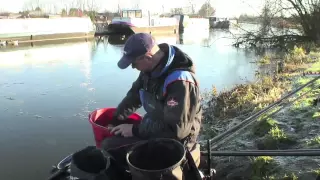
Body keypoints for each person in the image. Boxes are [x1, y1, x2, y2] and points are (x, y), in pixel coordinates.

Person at [102, 33, 202, 167]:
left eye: (133, 63)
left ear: (147, 57)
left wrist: (134, 130)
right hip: (154, 130)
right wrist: (115, 120)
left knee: (110, 146)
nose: (132, 67)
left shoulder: (180, 81)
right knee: (110, 141)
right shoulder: (148, 70)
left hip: (175, 144)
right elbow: (133, 97)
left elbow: (176, 130)